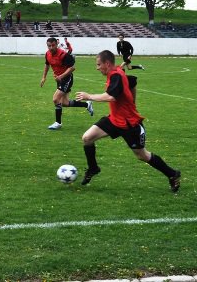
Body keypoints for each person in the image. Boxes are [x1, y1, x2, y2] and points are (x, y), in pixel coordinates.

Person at [75, 50, 180, 192]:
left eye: (99, 64)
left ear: (107, 63)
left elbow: (111, 97)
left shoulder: (116, 75)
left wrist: (89, 96)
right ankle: (93, 168)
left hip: (130, 124)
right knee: (87, 138)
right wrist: (132, 101)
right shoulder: (118, 70)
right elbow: (133, 80)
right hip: (114, 119)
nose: (97, 67)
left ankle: (172, 174)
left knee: (142, 155)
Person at [40, 37, 94, 130]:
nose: (51, 47)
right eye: (49, 46)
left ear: (57, 44)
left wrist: (61, 76)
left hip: (66, 78)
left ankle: (58, 123)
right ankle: (87, 104)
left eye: (53, 45)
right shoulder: (47, 54)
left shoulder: (63, 55)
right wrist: (44, 77)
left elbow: (72, 68)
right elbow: (47, 65)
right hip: (59, 79)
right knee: (64, 103)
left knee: (55, 99)